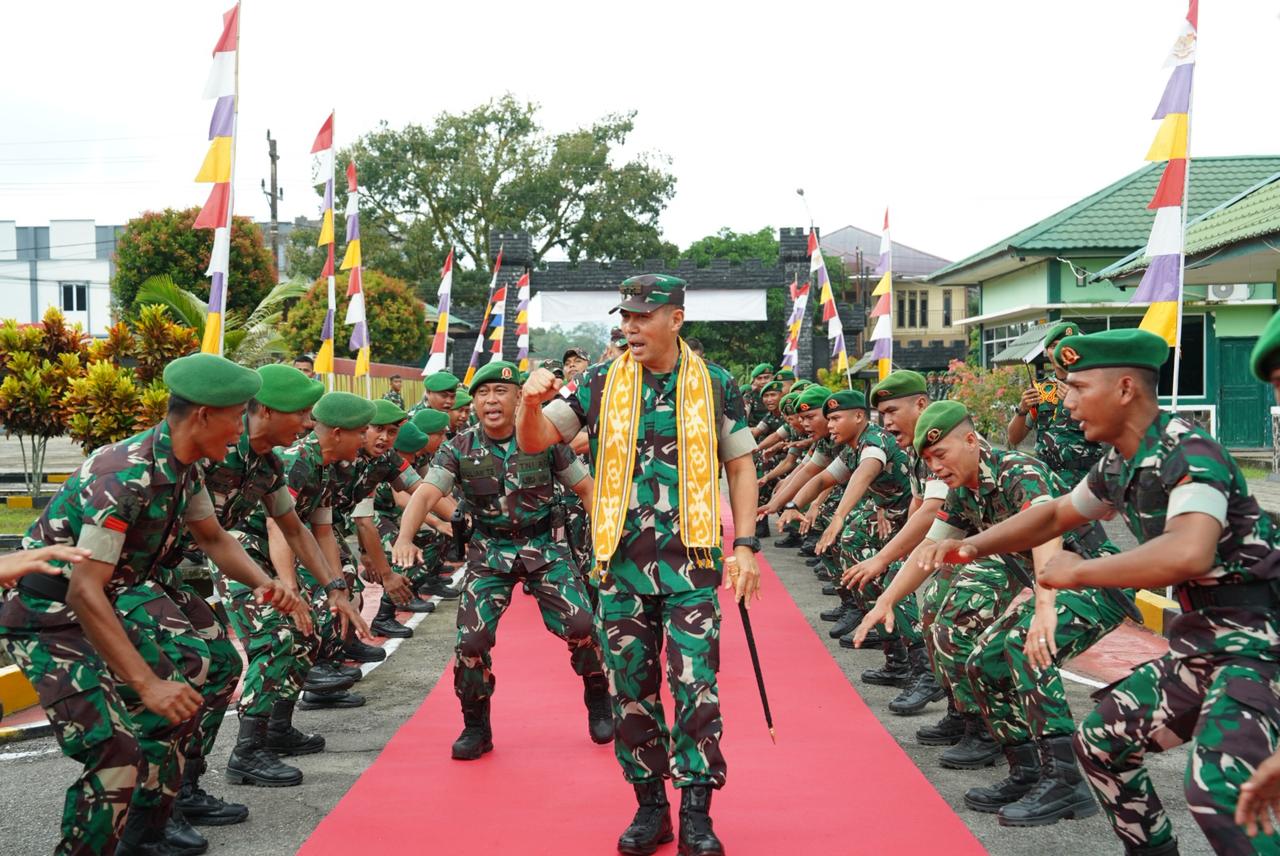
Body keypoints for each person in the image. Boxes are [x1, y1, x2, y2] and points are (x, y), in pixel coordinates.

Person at [928, 328, 1280, 854]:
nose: (1067, 401)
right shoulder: (1121, 462)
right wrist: (971, 546)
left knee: (1221, 787)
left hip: (1257, 644)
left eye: (1078, 387)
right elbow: (1054, 515)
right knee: (1101, 743)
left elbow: (1189, 552)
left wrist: (1079, 572)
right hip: (1203, 644)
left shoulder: (1188, 450)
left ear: (1124, 388)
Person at [0, 353, 309, 856]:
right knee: (115, 751)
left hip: (103, 601)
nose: (240, 430)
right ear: (203, 415)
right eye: (236, 417)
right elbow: (83, 591)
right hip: (46, 616)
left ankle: (145, 833)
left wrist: (265, 583)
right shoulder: (127, 475)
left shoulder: (184, 468)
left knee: (178, 702)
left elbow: (212, 536)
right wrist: (145, 683)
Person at [518, 274, 760, 856]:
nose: (630, 326)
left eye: (643, 316)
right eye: (625, 316)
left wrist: (746, 545)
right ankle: (651, 808)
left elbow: (740, 464)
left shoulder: (716, 383)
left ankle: (697, 812)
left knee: (696, 684)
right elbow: (535, 442)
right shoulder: (598, 382)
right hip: (619, 565)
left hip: (692, 563)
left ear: (675, 319)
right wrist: (529, 403)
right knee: (631, 687)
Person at [163, 364, 368, 817]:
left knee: (251, 651)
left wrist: (334, 588)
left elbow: (295, 527)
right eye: (301, 413)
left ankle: (253, 744)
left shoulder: (268, 464)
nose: (308, 423)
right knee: (268, 639)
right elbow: (228, 536)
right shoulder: (209, 451)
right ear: (268, 412)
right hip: (213, 559)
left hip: (201, 561)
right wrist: (282, 586)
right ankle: (230, 761)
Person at [393, 360, 612, 760]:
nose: (491, 401)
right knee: (470, 641)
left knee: (583, 625)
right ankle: (476, 725)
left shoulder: (544, 439)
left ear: (518, 398)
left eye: (500, 392)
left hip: (544, 547)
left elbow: (587, 489)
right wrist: (405, 538)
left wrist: (605, 542)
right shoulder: (459, 447)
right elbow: (425, 493)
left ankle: (597, 694)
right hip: (489, 552)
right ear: (474, 401)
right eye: (482, 394)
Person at [1006, 321, 1104, 485]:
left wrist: (1078, 403)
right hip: (1047, 481)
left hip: (1084, 482)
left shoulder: (1093, 385)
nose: (1059, 350)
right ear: (1046, 352)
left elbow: (1109, 432)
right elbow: (1014, 438)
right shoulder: (1041, 389)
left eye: (1066, 344)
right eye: (1054, 346)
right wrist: (1022, 409)